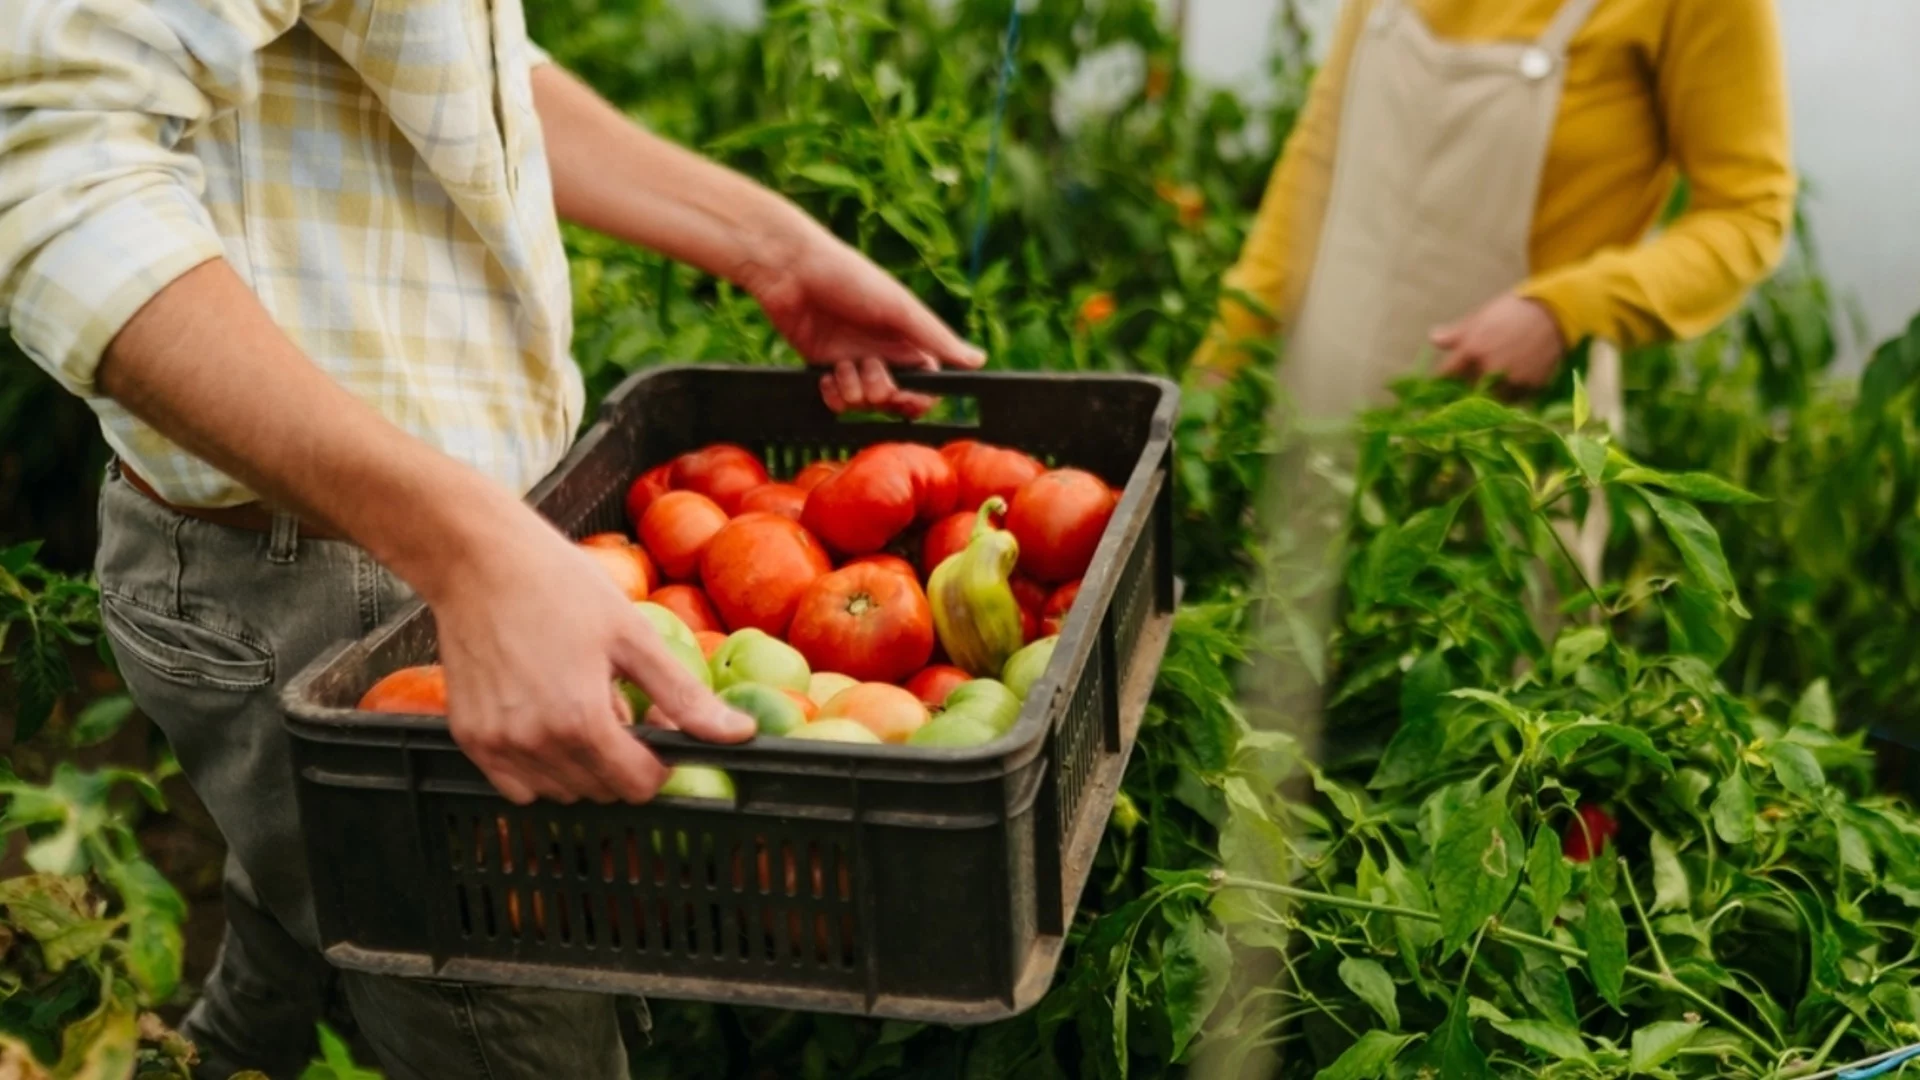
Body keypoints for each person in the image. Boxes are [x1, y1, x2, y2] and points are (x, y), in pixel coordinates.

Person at [0, 2, 981, 1077]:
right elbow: (51, 176)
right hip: (329, 568)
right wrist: (470, 553)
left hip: (447, 543)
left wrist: (771, 248)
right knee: (516, 1032)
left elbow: (466, 64)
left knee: (308, 914)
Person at [1193, 0, 1795, 427]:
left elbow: (1748, 213)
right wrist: (1224, 360)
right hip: (1312, 411)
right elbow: (1319, 158)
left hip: (1504, 455)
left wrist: (1564, 311)